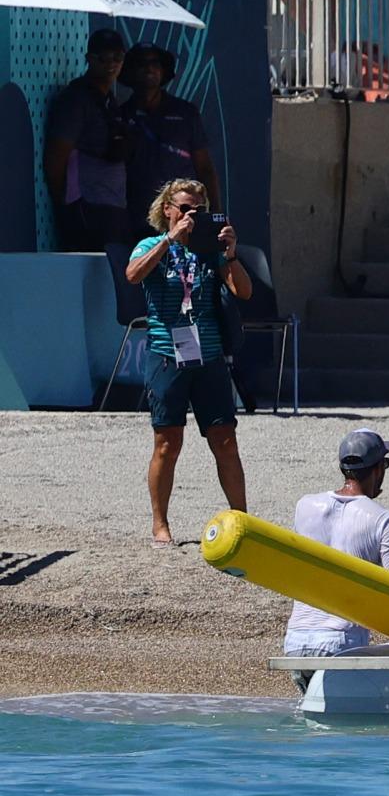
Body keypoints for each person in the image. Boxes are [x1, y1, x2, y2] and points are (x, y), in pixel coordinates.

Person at [125, 180, 252, 547]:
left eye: (198, 209)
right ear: (167, 209)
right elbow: (132, 275)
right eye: (183, 208)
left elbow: (243, 291)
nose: (190, 215)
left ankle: (242, 521)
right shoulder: (152, 245)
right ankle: (160, 524)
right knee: (168, 443)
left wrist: (229, 253)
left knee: (225, 440)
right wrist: (170, 240)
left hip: (208, 357)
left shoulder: (209, 250)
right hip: (168, 356)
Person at [282, 430, 389, 658]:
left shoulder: (305, 506)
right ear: (378, 468)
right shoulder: (386, 520)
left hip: (296, 638)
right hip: (341, 640)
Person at [41, 29, 131, 252]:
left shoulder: (110, 98)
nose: (110, 64)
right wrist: (67, 204)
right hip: (87, 207)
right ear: (89, 59)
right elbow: (56, 158)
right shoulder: (75, 99)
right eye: (103, 58)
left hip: (113, 205)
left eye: (117, 58)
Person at [119, 43, 217, 221]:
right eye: (142, 64)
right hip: (136, 214)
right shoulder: (121, 115)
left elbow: (204, 168)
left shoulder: (185, 112)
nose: (149, 68)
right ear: (130, 71)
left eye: (155, 63)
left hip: (183, 214)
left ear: (164, 71)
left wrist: (215, 213)